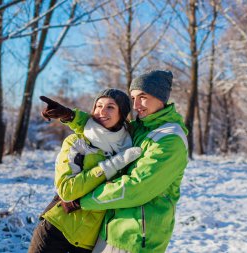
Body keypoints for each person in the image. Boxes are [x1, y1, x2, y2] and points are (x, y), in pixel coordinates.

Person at [43, 70, 189, 253]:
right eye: (134, 98)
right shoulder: (141, 128)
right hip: (109, 230)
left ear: (160, 97)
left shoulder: (170, 139)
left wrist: (82, 201)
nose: (136, 105)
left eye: (142, 97)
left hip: (136, 236)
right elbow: (105, 127)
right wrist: (70, 116)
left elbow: (136, 188)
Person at [28, 88, 142, 253]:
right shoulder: (77, 142)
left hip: (90, 242)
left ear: (122, 114)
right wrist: (112, 165)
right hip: (56, 231)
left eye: (110, 107)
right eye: (98, 106)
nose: (102, 111)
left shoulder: (129, 145)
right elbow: (67, 191)